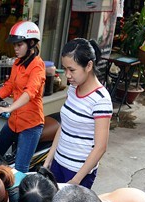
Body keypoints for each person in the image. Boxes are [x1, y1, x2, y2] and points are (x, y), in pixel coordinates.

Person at [43, 38, 112, 188]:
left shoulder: (101, 100)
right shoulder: (73, 88)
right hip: (58, 164)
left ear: (89, 66)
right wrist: (49, 158)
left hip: (78, 172)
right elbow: (64, 126)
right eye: (65, 68)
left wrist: (76, 180)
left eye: (72, 70)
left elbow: (100, 147)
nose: (67, 75)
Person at [0, 21, 46, 173]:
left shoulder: (37, 66)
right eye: (14, 45)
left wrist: (7, 108)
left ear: (31, 43)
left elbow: (30, 93)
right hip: (14, 120)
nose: (15, 48)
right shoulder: (17, 63)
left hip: (31, 124)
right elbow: (9, 87)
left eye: (19, 45)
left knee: (20, 170)